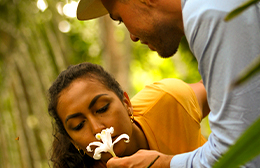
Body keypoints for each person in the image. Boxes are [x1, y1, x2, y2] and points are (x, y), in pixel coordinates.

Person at [76, 0, 260, 167]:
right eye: (78, 125)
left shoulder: (207, 15)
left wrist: (166, 163)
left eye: (120, 19)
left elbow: (243, 157)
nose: (132, 36)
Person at [47, 62, 209, 168]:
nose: (97, 129)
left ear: (126, 104)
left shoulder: (168, 100)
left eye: (102, 108)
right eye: (78, 126)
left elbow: (226, 89)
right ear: (74, 142)